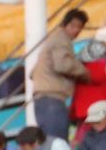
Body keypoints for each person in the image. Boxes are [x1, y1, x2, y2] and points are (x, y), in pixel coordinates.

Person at [29, 10, 90, 139]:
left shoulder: (53, 39)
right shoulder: (61, 39)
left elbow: (32, 73)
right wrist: (84, 72)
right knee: (58, 144)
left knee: (49, 142)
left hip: (42, 98)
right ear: (64, 24)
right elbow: (63, 65)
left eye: (80, 27)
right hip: (52, 100)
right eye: (73, 26)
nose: (76, 30)